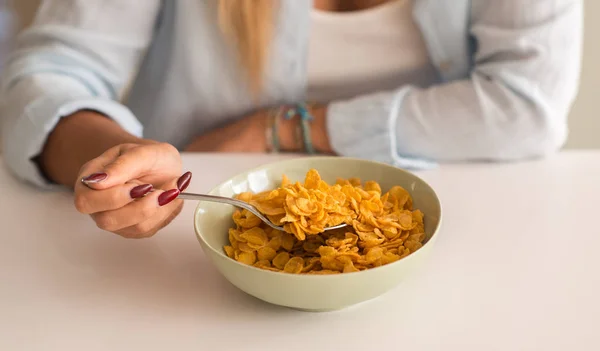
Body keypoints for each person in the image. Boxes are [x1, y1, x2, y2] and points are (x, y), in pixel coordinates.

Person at [0, 0, 583, 238]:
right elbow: (54, 70)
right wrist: (116, 159)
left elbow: (526, 105)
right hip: (183, 244)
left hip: (448, 242)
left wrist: (282, 129)